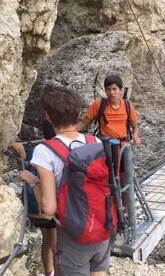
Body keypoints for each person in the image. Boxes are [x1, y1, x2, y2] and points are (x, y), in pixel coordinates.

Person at [22, 86, 113, 276]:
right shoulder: (94, 143)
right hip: (102, 229)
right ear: (78, 113)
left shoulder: (44, 151)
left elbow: (49, 209)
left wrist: (33, 182)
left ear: (48, 115)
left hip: (74, 236)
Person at [11, 121, 57, 276]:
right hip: (49, 204)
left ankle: (48, 272)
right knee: (56, 245)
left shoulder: (36, 150)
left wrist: (23, 155)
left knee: (47, 240)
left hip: (35, 207)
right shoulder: (58, 150)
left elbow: (27, 168)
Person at [76, 75, 140, 146]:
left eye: (114, 89)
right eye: (108, 89)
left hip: (123, 143)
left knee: (127, 156)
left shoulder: (127, 105)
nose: (111, 93)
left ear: (120, 90)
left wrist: (135, 136)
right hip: (105, 142)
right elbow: (83, 123)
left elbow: (135, 126)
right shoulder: (99, 104)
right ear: (105, 90)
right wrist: (67, 132)